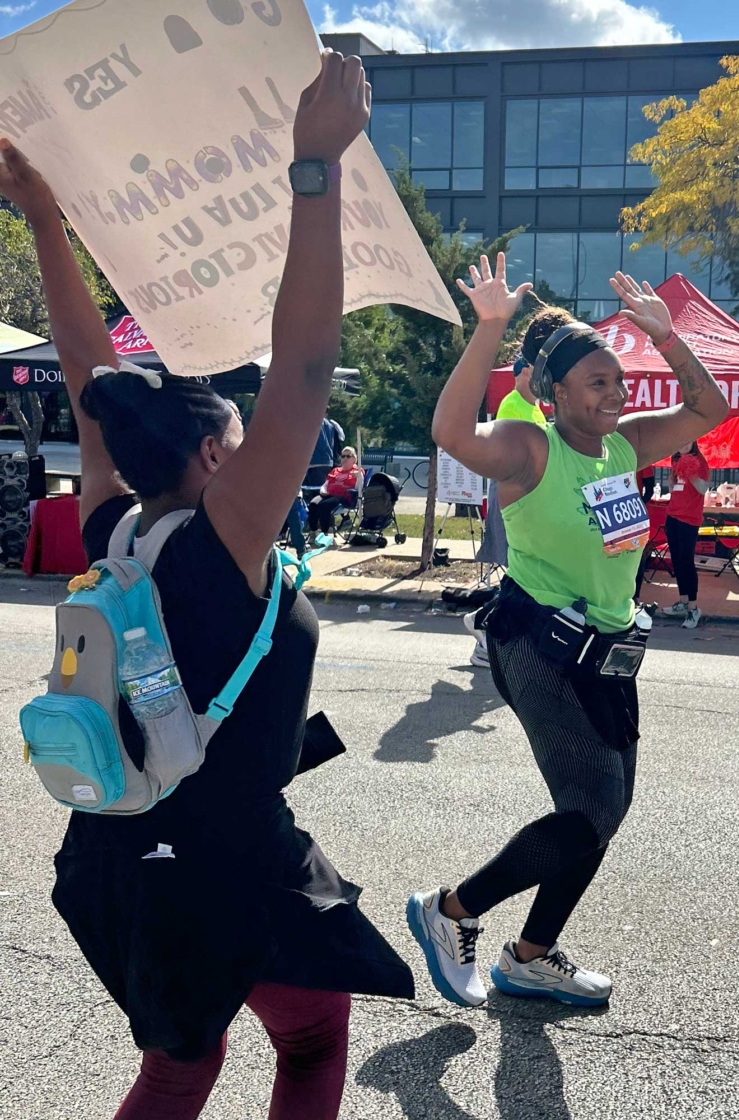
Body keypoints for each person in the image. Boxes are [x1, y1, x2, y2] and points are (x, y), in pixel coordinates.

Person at [0, 53, 413, 1120]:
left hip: (116, 851)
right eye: (239, 429)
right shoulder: (221, 539)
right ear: (223, 458)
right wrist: (311, 170)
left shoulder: (115, 530)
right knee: (313, 1039)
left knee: (183, 1064)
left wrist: (46, 216)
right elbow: (305, 365)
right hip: (225, 858)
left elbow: (96, 380)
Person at [407, 254, 728, 1008]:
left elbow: (709, 411)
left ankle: (530, 956)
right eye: (598, 383)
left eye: (619, 380)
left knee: (602, 814)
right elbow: (450, 430)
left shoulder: (625, 446)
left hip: (611, 654)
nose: (616, 393)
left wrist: (670, 338)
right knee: (589, 812)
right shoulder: (530, 450)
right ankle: (450, 911)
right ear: (555, 394)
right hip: (539, 646)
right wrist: (488, 330)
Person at [468, 353, 548, 668]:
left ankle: (483, 621)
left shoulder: (535, 409)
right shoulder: (512, 405)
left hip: (531, 501)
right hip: (515, 501)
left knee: (526, 574)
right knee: (519, 573)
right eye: (538, 372)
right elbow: (515, 460)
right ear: (525, 372)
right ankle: (485, 632)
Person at [659, 441, 710, 629]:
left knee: (687, 561)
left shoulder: (700, 461)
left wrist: (691, 473)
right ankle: (682, 601)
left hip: (689, 519)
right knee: (677, 560)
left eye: (688, 441)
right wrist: (671, 481)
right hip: (673, 516)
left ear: (693, 442)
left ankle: (693, 607)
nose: (683, 445)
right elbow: (674, 490)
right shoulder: (676, 460)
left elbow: (703, 489)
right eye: (680, 441)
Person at [284, 414, 346, 556]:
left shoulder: (307, 420)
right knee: (320, 495)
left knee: (312, 497)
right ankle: (323, 527)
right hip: (327, 461)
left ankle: (315, 530)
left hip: (311, 461)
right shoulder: (330, 424)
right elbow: (338, 440)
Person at [306, 446, 363, 536]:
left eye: (348, 456)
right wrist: (323, 491)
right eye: (343, 456)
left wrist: (359, 477)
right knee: (313, 504)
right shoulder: (336, 470)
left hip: (343, 496)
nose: (344, 458)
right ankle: (313, 531)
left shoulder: (357, 471)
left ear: (354, 459)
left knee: (324, 505)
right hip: (328, 494)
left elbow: (358, 488)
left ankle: (325, 532)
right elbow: (326, 484)